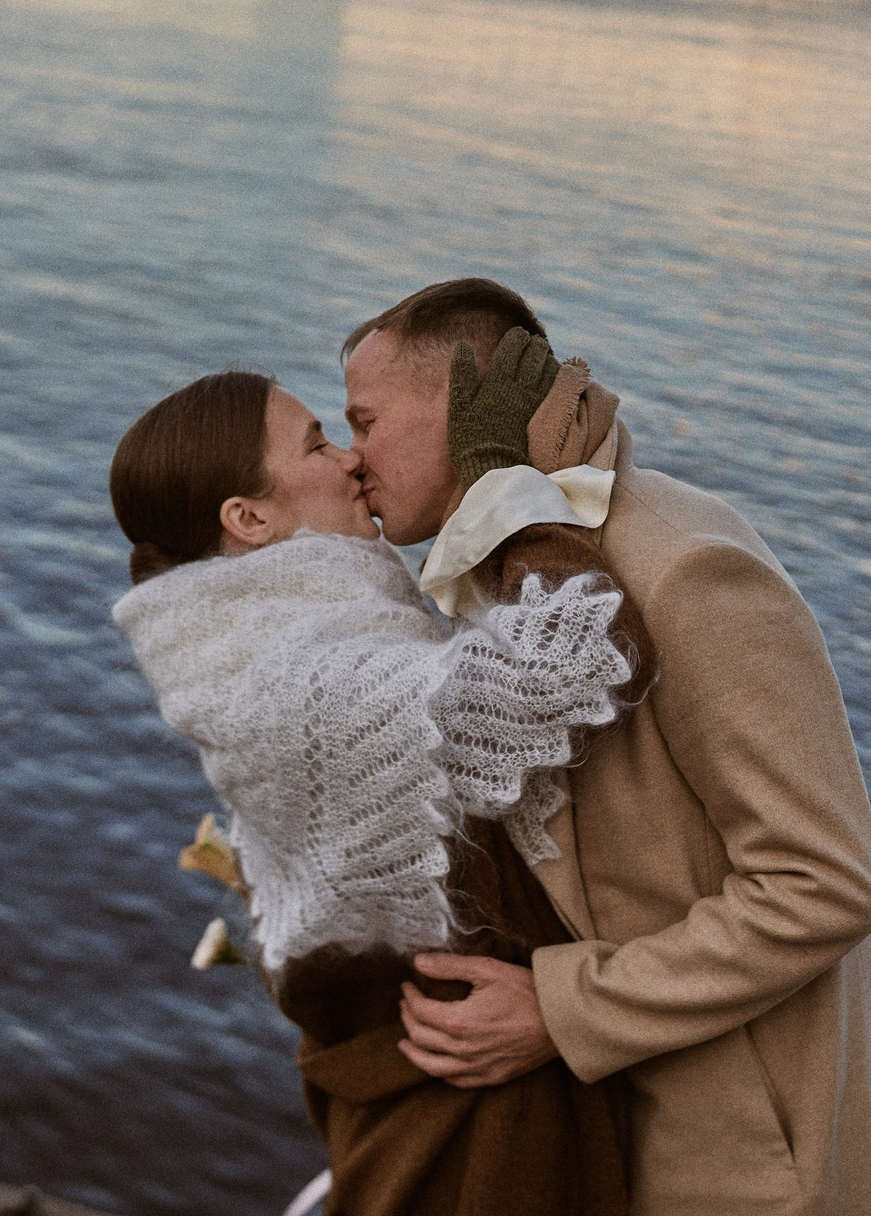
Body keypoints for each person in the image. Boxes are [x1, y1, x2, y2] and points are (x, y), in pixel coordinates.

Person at [341, 279, 871, 1216]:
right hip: (630, 1126)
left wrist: (559, 1010)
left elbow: (826, 882)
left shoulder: (684, 567)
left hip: (759, 1152)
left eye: (362, 420)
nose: (351, 459)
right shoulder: (505, 570)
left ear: (458, 403)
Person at [107, 366, 645, 1216]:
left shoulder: (251, 646)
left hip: (416, 1081)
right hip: (467, 1107)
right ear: (248, 518)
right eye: (318, 441)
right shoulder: (310, 679)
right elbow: (567, 665)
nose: (353, 460)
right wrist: (525, 488)